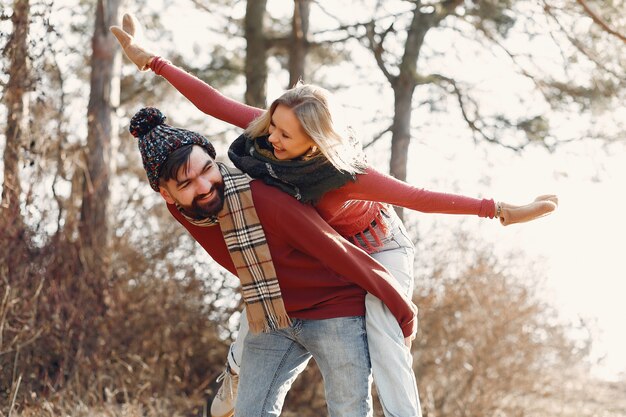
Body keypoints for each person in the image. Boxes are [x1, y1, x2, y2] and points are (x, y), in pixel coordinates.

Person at [111, 15, 558, 417]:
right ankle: (237, 369)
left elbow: (419, 196)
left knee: (385, 331)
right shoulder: (266, 136)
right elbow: (214, 103)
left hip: (378, 242)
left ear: (315, 144)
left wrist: (499, 210)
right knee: (266, 303)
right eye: (273, 126)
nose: (273, 138)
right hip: (320, 255)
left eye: (286, 135)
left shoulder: (345, 175)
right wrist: (152, 60)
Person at [128, 106, 418, 417]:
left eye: (207, 168)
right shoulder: (185, 210)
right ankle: (235, 374)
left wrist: (401, 311)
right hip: (273, 314)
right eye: (186, 184)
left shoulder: (264, 201)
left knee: (349, 412)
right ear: (166, 195)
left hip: (336, 309)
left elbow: (342, 254)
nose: (204, 185)